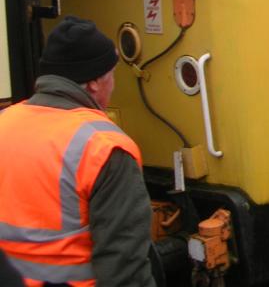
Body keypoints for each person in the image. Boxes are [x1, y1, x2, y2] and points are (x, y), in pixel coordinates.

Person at [0, 16, 155, 286]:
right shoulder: (105, 148)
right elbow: (123, 266)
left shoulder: (4, 123)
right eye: (112, 75)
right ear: (95, 82)